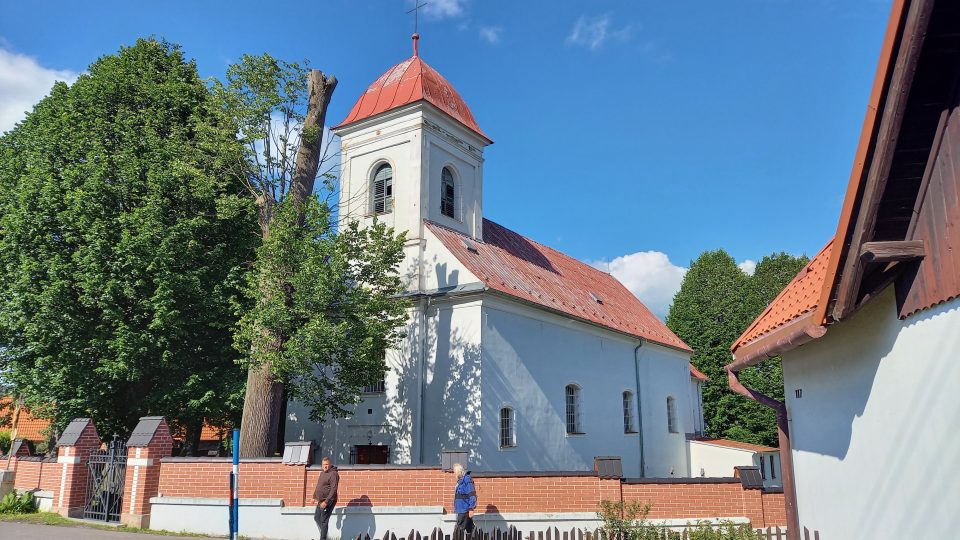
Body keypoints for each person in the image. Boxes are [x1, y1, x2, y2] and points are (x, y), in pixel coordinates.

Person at [313, 456, 339, 540]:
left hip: (328, 501)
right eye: (323, 464)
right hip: (320, 500)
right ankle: (325, 535)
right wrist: (314, 497)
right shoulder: (322, 473)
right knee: (317, 517)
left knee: (324, 521)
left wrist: (326, 501)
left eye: (327, 464)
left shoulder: (333, 474)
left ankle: (323, 538)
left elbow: (334, 489)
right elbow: (319, 486)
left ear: (330, 464)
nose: (325, 466)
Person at [451, 463, 477, 538]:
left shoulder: (467, 480)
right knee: (471, 529)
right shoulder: (460, 481)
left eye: (454, 472)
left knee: (459, 530)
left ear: (458, 471)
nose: (454, 474)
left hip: (464, 510)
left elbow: (471, 494)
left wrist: (471, 508)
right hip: (461, 509)